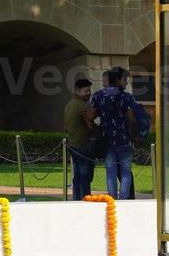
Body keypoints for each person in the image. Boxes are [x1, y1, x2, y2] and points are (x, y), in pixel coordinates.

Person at [90, 66, 148, 200]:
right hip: (123, 140)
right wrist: (134, 135)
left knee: (110, 172)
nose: (126, 82)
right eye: (124, 79)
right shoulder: (127, 97)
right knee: (126, 172)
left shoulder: (98, 96)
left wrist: (97, 128)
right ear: (117, 79)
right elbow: (132, 119)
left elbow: (90, 116)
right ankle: (124, 199)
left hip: (107, 140)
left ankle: (112, 198)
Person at [63, 77, 97, 200]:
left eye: (89, 91)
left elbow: (65, 127)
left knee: (77, 175)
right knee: (85, 176)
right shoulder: (82, 106)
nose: (88, 93)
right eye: (85, 91)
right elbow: (90, 125)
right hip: (83, 145)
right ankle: (85, 199)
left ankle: (76, 199)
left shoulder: (69, 104)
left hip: (73, 145)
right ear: (77, 91)